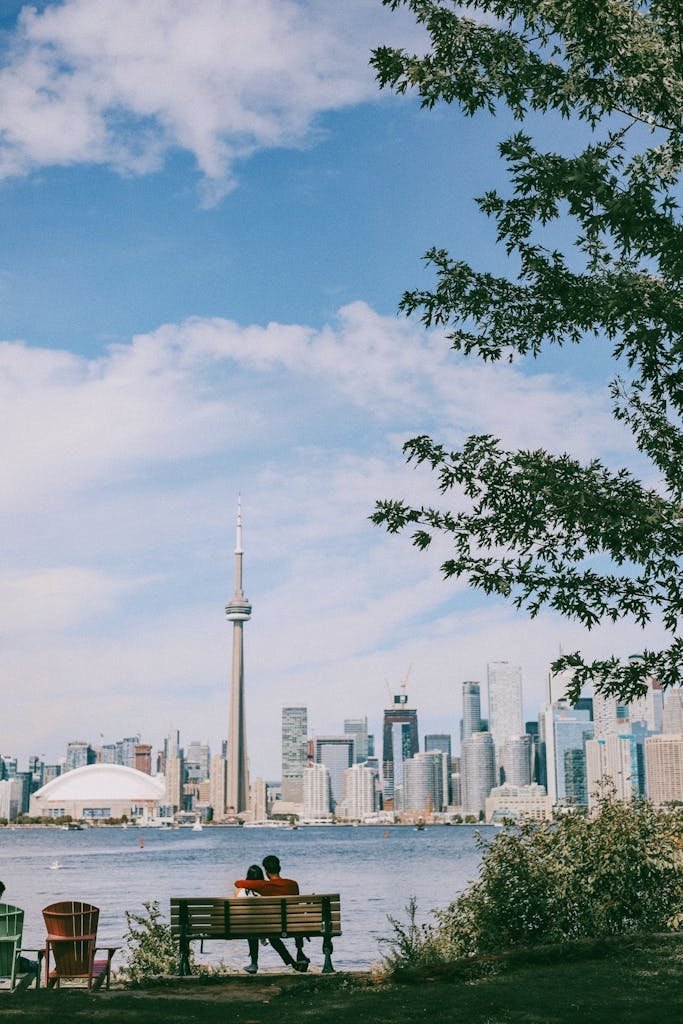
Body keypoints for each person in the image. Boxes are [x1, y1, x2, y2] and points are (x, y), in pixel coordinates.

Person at [233, 855, 310, 974]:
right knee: (285, 925)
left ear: (266, 871)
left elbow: (238, 883)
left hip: (274, 926)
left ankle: (255, 963)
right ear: (280, 868)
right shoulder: (293, 884)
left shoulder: (265, 886)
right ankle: (299, 952)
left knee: (263, 930)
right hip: (294, 925)